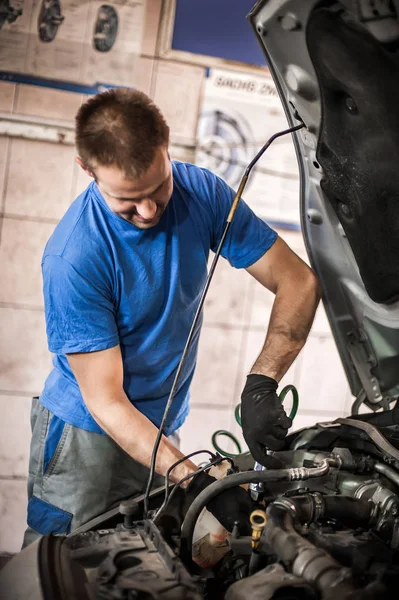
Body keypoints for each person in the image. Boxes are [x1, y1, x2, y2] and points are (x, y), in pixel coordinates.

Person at [23, 88, 320, 546]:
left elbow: (298, 280)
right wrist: (193, 477)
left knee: (149, 561)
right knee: (69, 565)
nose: (148, 211)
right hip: (86, 439)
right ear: (87, 169)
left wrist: (262, 382)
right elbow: (107, 402)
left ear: (167, 146)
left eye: (158, 189)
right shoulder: (74, 257)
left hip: (160, 428)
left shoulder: (201, 192)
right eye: (128, 200)